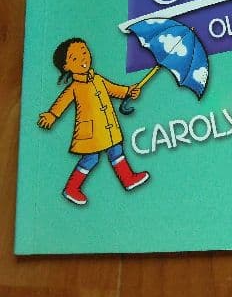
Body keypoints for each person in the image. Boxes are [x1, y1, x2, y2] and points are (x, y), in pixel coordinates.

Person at [37, 37, 150, 206]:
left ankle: (128, 179)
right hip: (90, 133)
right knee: (91, 159)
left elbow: (114, 89)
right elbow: (62, 102)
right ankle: (71, 188)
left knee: (116, 151)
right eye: (75, 58)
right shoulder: (75, 87)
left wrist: (129, 91)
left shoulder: (97, 79)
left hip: (108, 129)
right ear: (66, 66)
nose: (83, 58)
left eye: (84, 52)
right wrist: (52, 115)